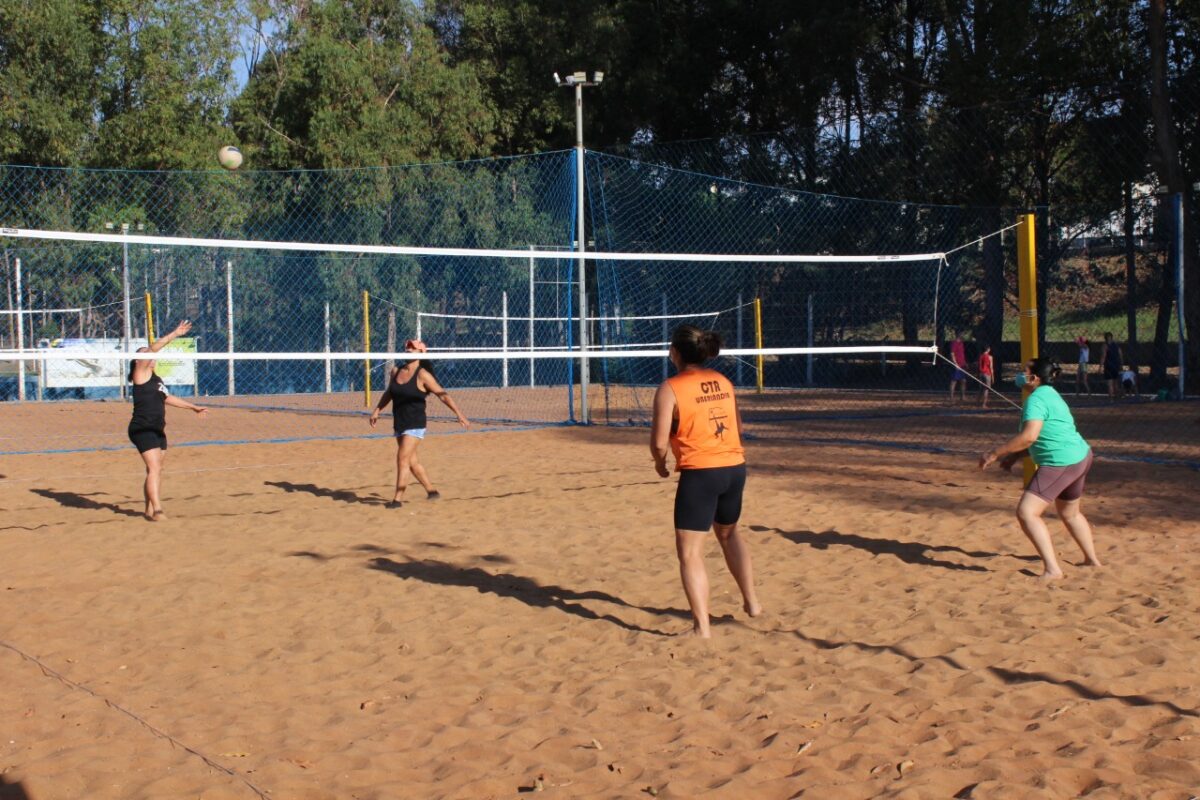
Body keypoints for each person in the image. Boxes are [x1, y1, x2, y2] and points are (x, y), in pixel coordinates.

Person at [650, 325, 761, 638]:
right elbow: (737, 426)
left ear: (675, 352)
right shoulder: (723, 381)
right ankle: (752, 603)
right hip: (734, 468)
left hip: (701, 473)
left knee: (689, 553)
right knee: (729, 534)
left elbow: (659, 442)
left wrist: (660, 464)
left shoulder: (670, 388)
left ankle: (702, 627)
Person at [978, 357, 1102, 582]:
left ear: (1034, 378)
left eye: (1023, 371)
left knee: (1027, 513)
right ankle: (1091, 561)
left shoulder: (1035, 400)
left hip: (1061, 462)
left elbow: (1029, 437)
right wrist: (1015, 457)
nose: (1019, 375)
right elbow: (1046, 436)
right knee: (1070, 513)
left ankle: (1053, 570)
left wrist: (995, 453)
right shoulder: (1052, 395)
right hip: (1081, 455)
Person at [369, 339, 469, 507]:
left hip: (415, 423)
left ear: (421, 353)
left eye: (413, 348)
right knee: (412, 462)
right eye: (407, 347)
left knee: (402, 458)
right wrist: (377, 409)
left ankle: (397, 500)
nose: (408, 349)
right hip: (400, 421)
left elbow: (442, 394)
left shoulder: (423, 375)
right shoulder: (396, 371)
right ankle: (432, 491)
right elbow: (389, 393)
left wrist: (459, 414)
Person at [128, 320, 207, 521]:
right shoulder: (140, 374)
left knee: (155, 469)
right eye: (145, 354)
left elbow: (167, 398)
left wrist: (192, 407)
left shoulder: (156, 379)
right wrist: (175, 334)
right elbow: (153, 350)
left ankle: (148, 509)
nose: (150, 355)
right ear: (138, 361)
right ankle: (157, 510)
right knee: (154, 468)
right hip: (142, 427)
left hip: (157, 428)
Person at [1099, 332, 1123, 401]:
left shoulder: (1105, 345)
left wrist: (1100, 367)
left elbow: (1103, 356)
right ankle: (1117, 397)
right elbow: (1121, 355)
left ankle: (1111, 399)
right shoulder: (1116, 345)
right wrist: (1121, 364)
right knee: (1116, 382)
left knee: (1110, 383)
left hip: (1108, 366)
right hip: (1116, 365)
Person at [977, 343, 994, 408]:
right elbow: (991, 367)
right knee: (986, 389)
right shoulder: (990, 357)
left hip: (981, 373)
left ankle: (977, 402)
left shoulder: (981, 356)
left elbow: (979, 365)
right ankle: (984, 404)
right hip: (987, 373)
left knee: (981, 389)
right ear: (988, 349)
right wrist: (992, 377)